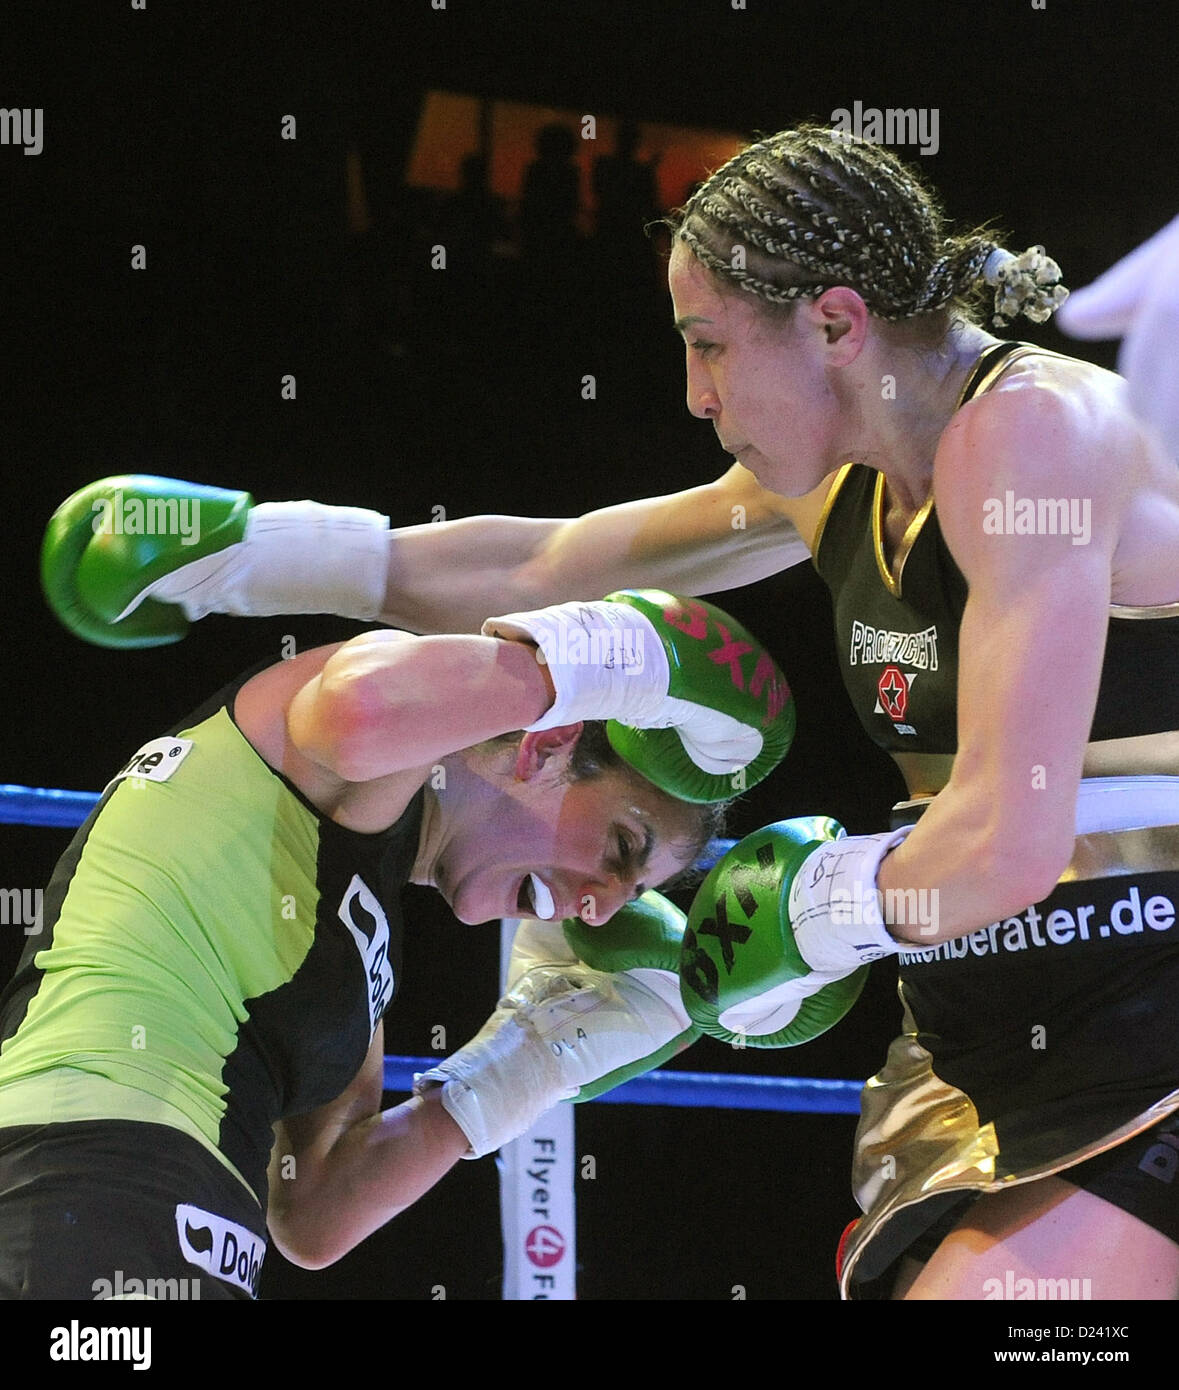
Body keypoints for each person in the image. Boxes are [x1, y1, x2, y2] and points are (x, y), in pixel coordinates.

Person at [41, 124, 1179, 1301]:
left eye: (710, 346)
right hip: (987, 1023)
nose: (694, 395)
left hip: (1151, 998)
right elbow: (550, 567)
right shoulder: (833, 486)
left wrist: (817, 904)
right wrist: (252, 557)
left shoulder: (1033, 435)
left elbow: (1009, 836)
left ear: (836, 324)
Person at [0, 585, 796, 1299]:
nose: (598, 909)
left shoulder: (363, 938)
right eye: (622, 850)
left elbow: (316, 1213)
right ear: (547, 746)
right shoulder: (346, 726)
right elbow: (360, 710)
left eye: (632, 893)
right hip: (82, 1168)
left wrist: (533, 1057)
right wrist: (599, 661)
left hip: (177, 1220)